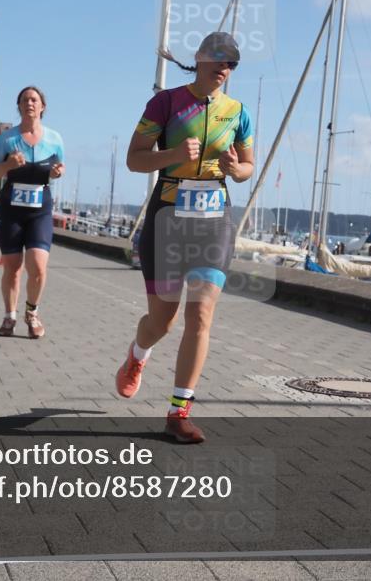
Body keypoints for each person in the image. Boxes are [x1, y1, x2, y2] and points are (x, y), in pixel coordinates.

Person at [116, 32, 254, 444]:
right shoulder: (167, 102)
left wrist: (234, 168)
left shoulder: (238, 111)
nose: (225, 68)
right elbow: (134, 159)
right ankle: (138, 355)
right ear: (199, 59)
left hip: (213, 221)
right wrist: (172, 156)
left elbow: (248, 166)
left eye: (232, 63)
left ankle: (179, 412)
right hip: (168, 221)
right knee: (162, 320)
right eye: (219, 59)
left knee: (201, 314)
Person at [0, 86, 65, 339]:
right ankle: (9, 316)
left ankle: (32, 312)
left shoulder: (54, 139)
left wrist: (56, 173)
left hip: (40, 208)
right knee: (13, 267)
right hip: (11, 209)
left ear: (42, 107)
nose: (30, 103)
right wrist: (7, 164)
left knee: (39, 267)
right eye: (25, 100)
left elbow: (57, 169)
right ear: (18, 106)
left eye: (34, 99)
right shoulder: (7, 139)